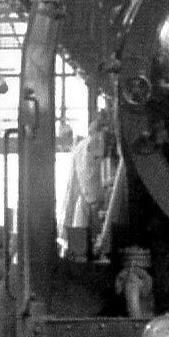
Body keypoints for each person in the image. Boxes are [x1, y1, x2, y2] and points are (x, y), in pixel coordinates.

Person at [62, 110, 112, 258]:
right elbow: (87, 179)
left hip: (85, 202)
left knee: (80, 250)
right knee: (84, 252)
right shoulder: (91, 144)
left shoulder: (81, 147)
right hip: (91, 203)